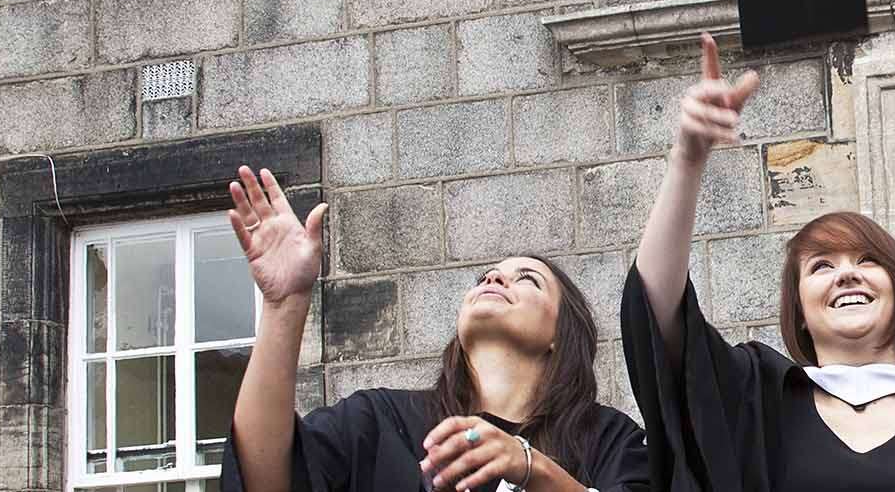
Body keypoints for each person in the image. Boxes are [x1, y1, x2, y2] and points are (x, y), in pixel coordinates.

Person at [620, 33, 895, 491]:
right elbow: (655, 316)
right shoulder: (759, 405)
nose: (846, 274)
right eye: (820, 266)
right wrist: (687, 161)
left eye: (867, 260)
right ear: (798, 311)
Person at [218, 165, 649, 492]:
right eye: (486, 276)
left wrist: (530, 467)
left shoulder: (609, 441)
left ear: (561, 334)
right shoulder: (380, 422)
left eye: (528, 279)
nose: (494, 279)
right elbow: (264, 477)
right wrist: (285, 304)